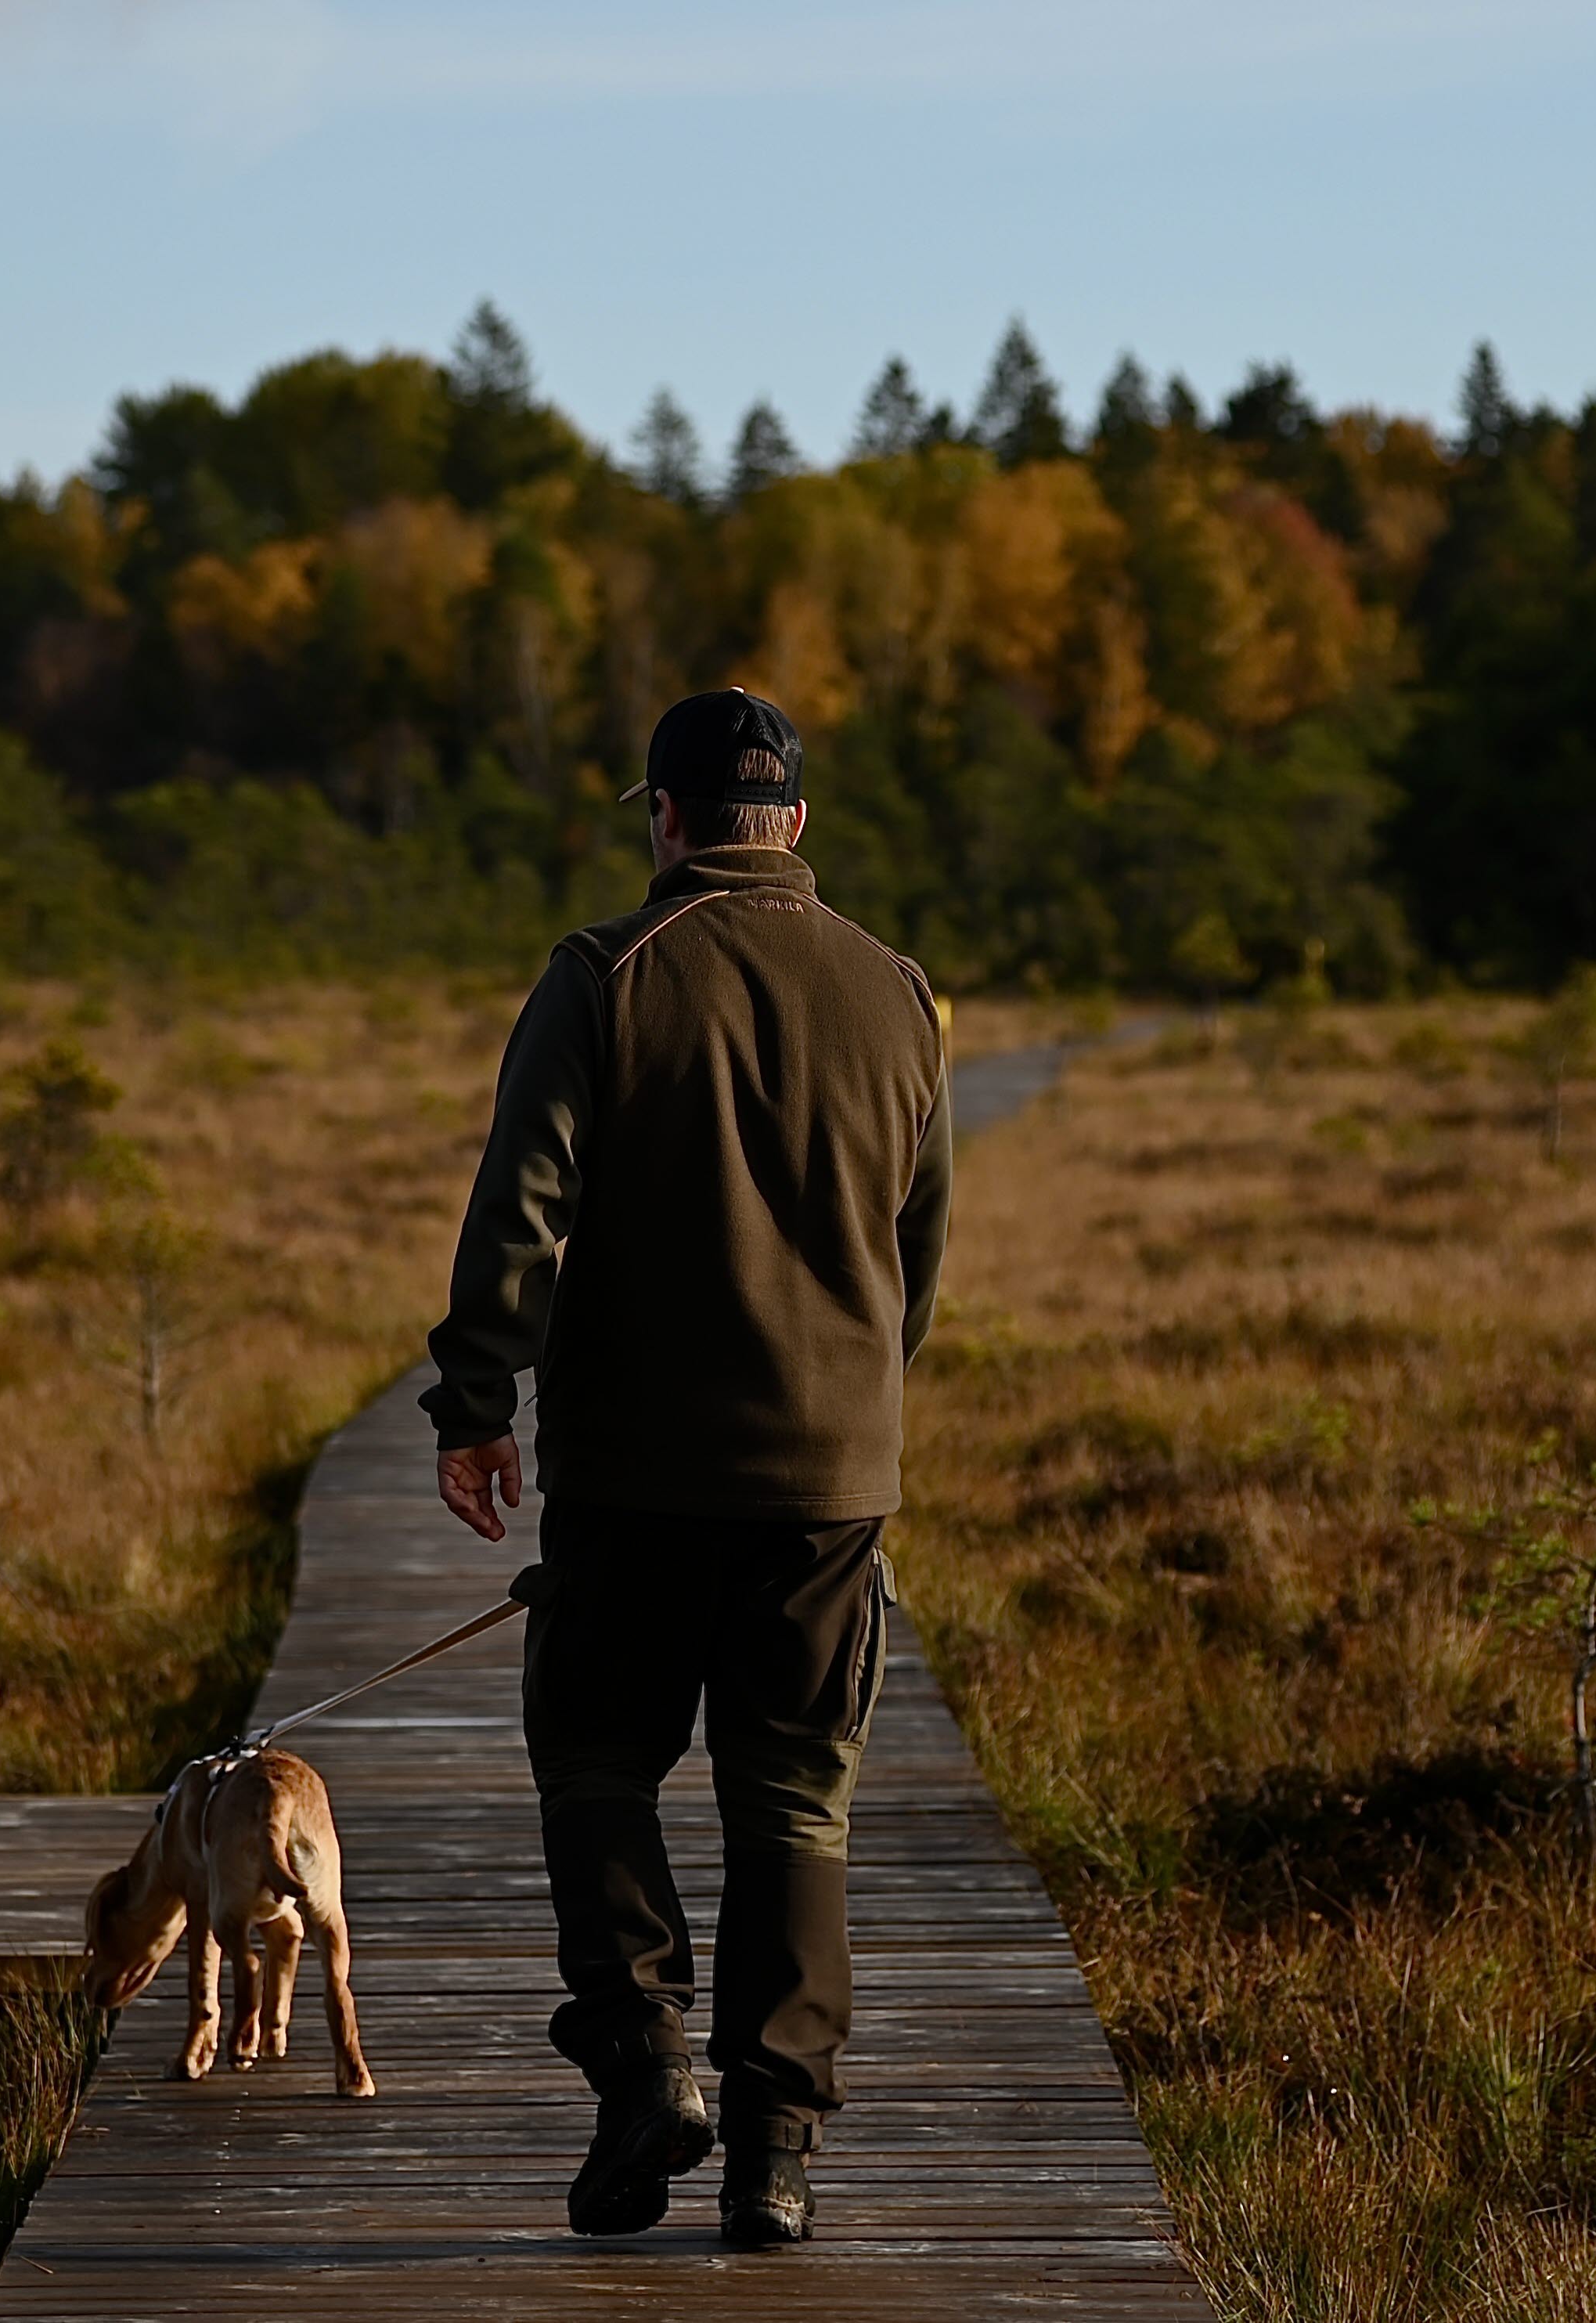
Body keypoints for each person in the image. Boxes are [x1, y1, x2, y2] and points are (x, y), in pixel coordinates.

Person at [423, 685, 953, 2249]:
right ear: (796, 821)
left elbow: (519, 1210)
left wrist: (476, 1404)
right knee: (797, 1796)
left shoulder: (604, 974)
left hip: (636, 1473)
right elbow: (915, 1261)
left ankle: (649, 2051)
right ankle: (775, 2152)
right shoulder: (899, 991)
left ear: (663, 818)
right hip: (832, 1480)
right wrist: (853, 1391)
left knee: (595, 1755)